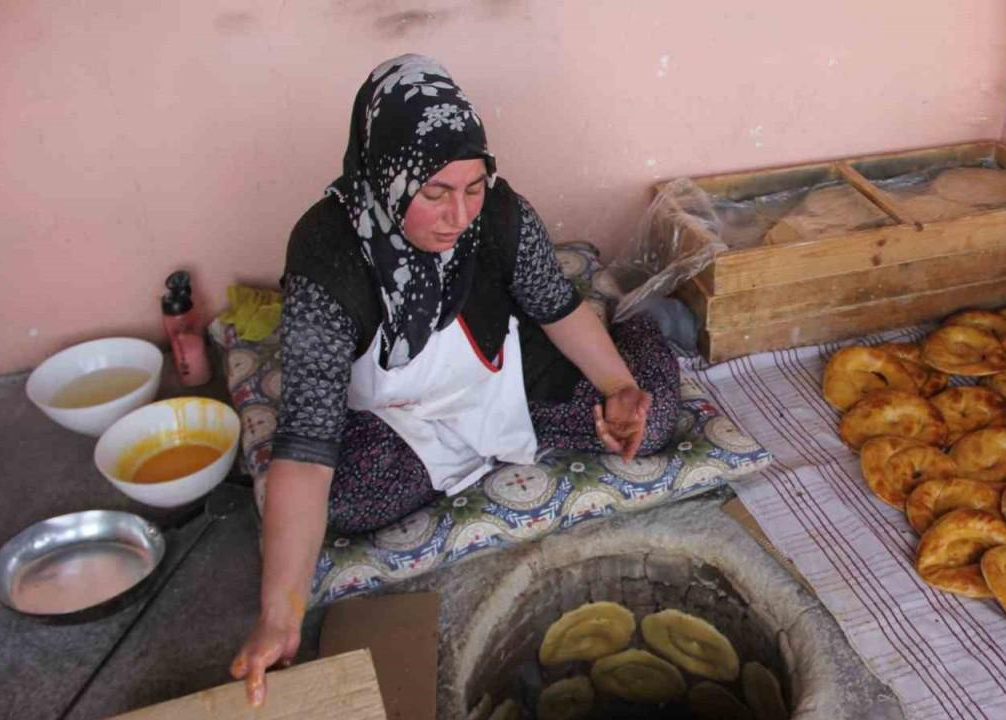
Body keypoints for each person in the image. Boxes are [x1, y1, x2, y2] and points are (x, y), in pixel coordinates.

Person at [229, 54, 680, 706]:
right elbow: (306, 445)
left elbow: (556, 308)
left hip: (505, 380)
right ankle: (488, 447)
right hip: (404, 418)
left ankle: (637, 337)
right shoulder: (327, 252)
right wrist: (280, 612)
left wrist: (616, 389)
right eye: (435, 192)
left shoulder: (498, 215)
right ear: (384, 172)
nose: (458, 215)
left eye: (473, 187)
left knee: (653, 417)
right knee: (341, 501)